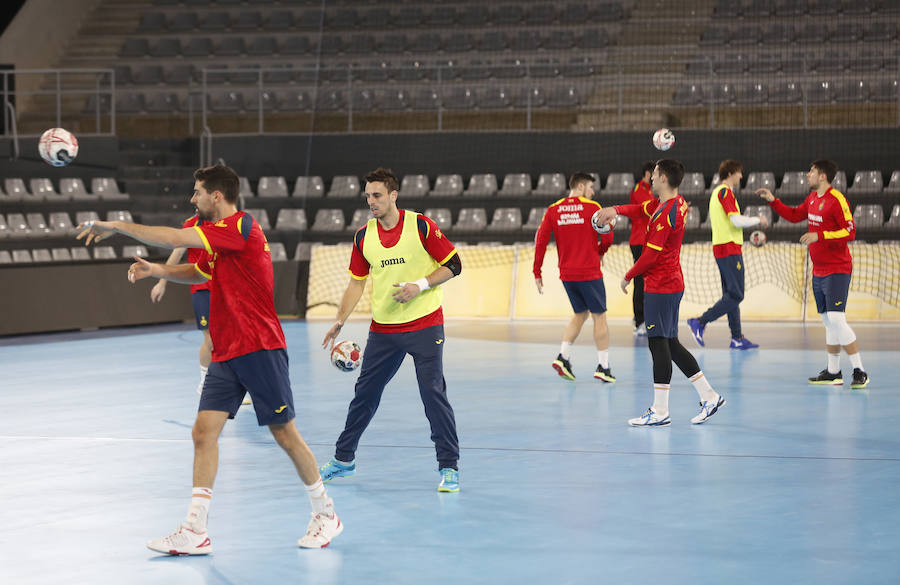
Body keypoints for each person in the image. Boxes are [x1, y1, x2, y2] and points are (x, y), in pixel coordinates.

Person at [76, 164, 342, 553]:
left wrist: (116, 225)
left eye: (197, 192)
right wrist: (157, 270)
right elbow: (200, 271)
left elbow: (174, 236)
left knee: (285, 434)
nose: (193, 198)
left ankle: (325, 513)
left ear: (217, 196)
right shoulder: (220, 239)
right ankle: (195, 530)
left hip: (259, 347)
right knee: (203, 432)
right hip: (227, 350)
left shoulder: (240, 228)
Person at [319, 168, 463, 493]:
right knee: (364, 395)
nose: (371, 201)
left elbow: (454, 265)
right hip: (383, 331)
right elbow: (356, 283)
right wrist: (339, 321)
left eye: (377, 195)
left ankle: (449, 466)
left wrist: (420, 285)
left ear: (393, 195)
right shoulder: (363, 236)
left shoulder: (420, 226)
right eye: (368, 196)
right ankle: (343, 460)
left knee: (433, 395)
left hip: (425, 325)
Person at [594, 159, 726, 426]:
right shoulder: (671, 203)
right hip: (669, 284)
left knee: (658, 343)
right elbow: (638, 209)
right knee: (670, 344)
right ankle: (709, 396)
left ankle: (661, 411)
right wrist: (613, 209)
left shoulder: (667, 213)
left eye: (655, 174)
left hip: (661, 285)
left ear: (664, 177)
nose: (651, 178)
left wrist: (628, 275)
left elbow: (650, 256)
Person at [757, 159, 869, 389]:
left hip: (837, 269)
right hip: (818, 270)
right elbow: (794, 215)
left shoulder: (836, 200)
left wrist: (820, 235)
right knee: (828, 321)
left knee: (836, 319)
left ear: (823, 176)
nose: (808, 175)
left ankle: (860, 370)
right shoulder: (812, 199)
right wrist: (773, 201)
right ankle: (833, 372)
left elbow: (850, 232)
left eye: (812, 171)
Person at [533, 172, 616, 383]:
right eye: (590, 187)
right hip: (589, 272)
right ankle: (604, 367)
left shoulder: (553, 209)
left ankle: (563, 356)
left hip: (567, 274)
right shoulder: (593, 208)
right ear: (580, 186)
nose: (593, 192)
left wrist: (537, 271)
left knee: (580, 314)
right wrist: (600, 251)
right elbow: (608, 236)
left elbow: (541, 240)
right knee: (599, 317)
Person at [687, 159, 767, 350]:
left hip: (722, 248)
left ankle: (737, 338)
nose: (741, 176)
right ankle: (700, 322)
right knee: (737, 294)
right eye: (739, 172)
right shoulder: (724, 192)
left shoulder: (718, 192)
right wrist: (758, 219)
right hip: (728, 249)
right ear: (730, 173)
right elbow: (736, 221)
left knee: (731, 295)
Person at [629, 162, 657, 336]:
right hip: (638, 241)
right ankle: (639, 322)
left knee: (646, 281)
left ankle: (643, 318)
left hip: (646, 241)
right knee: (640, 281)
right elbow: (649, 208)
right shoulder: (640, 188)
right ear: (648, 173)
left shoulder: (648, 190)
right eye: (654, 174)